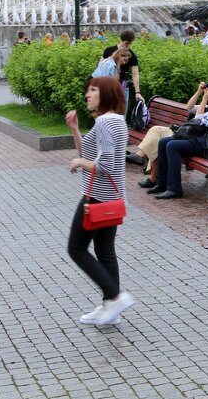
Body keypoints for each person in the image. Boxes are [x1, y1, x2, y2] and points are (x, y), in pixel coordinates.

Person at [64, 77, 136, 325]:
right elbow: (88, 152)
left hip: (96, 198)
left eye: (93, 90)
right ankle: (111, 309)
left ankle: (115, 298)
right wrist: (75, 129)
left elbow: (104, 165)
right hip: (112, 199)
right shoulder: (115, 121)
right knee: (105, 252)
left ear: (105, 94)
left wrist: (79, 164)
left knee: (76, 249)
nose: (87, 94)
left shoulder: (106, 122)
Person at [148, 80, 208, 199]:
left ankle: (174, 189)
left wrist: (202, 121)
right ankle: (161, 183)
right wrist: (202, 120)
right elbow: (200, 118)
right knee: (163, 142)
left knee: (172, 146)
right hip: (205, 141)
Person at [129, 80, 208, 181]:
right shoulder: (204, 106)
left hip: (188, 137)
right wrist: (198, 92)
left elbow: (198, 118)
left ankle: (151, 174)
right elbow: (189, 107)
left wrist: (205, 99)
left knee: (159, 139)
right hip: (182, 132)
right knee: (156, 130)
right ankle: (142, 159)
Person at [101, 31, 143, 127]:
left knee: (120, 116)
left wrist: (137, 92)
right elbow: (101, 66)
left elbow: (135, 74)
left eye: (130, 43)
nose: (128, 46)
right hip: (108, 87)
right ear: (121, 40)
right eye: (127, 43)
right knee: (106, 114)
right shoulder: (109, 50)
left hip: (123, 87)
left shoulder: (132, 55)